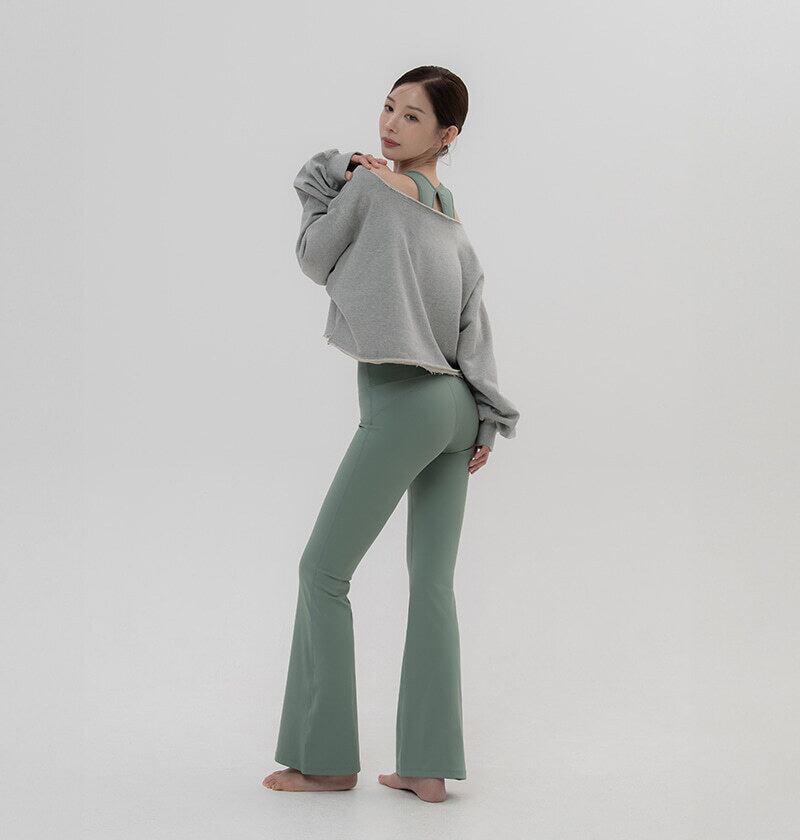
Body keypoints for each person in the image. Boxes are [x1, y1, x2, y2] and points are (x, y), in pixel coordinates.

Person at [262, 66, 520, 804]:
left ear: (446, 134)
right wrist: (486, 417)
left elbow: (314, 257)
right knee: (432, 584)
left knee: (322, 573)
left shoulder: (375, 190)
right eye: (388, 108)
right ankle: (426, 769)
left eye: (412, 116)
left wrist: (336, 171)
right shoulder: (453, 221)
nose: (390, 125)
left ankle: (324, 761)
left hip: (404, 403)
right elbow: (474, 321)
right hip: (457, 408)